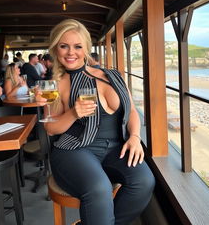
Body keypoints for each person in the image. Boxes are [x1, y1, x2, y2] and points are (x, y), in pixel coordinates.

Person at [37, 19, 155, 225]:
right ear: (56, 49)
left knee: (144, 181)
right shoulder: (56, 84)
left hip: (115, 150)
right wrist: (73, 113)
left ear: (86, 49)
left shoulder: (113, 75)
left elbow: (132, 111)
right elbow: (50, 127)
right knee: (98, 188)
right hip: (75, 151)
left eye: (77, 46)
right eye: (63, 46)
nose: (70, 52)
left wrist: (135, 137)